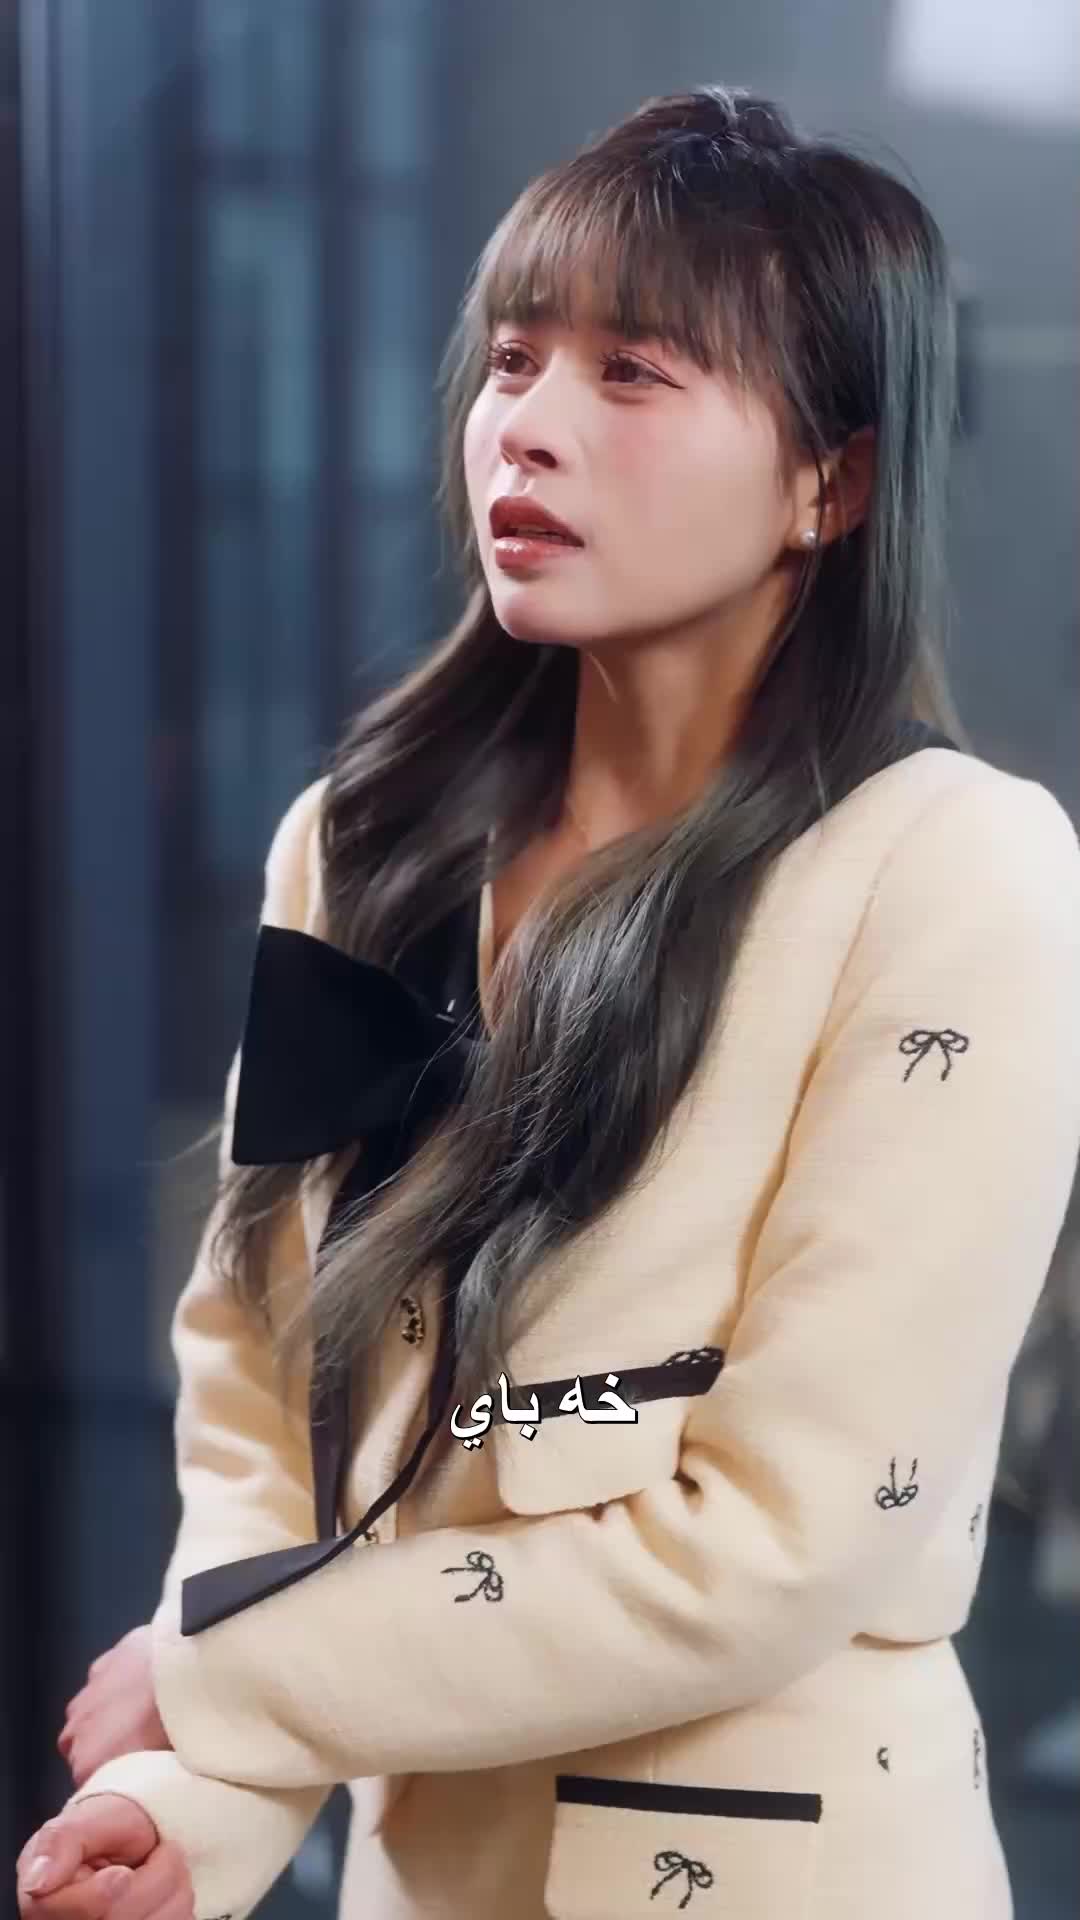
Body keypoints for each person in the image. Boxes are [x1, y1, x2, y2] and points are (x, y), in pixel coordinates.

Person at [16, 82, 1080, 1920]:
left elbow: (784, 1536)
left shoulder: (955, 870)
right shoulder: (364, 843)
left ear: (830, 482)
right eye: (514, 360)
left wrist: (219, 1685)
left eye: (634, 373)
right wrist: (197, 1808)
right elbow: (267, 1387)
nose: (528, 426)